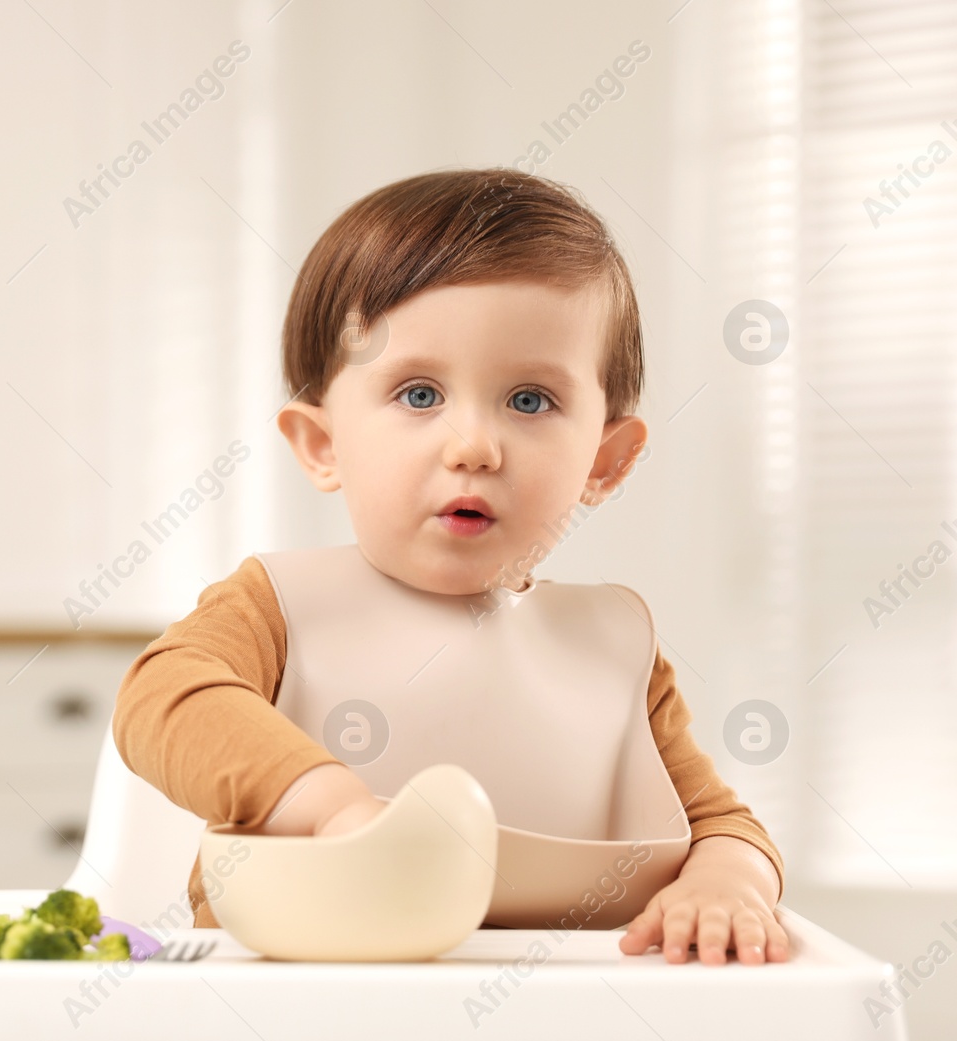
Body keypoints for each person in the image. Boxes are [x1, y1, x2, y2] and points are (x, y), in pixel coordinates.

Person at [112, 167, 788, 966]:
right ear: (324, 443)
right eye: (420, 394)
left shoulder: (616, 646)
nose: (473, 446)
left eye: (530, 400)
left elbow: (717, 821)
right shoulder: (277, 607)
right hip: (295, 1015)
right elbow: (161, 698)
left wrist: (730, 881)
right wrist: (332, 807)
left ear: (604, 460)